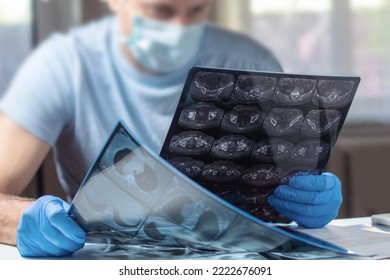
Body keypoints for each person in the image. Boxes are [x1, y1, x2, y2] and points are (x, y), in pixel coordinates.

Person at [0, 0, 342, 257]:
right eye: (161, 10)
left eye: (195, 10)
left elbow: (280, 185)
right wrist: (19, 219)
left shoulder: (250, 62)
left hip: (238, 260)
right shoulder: (61, 66)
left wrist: (306, 198)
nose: (180, 27)